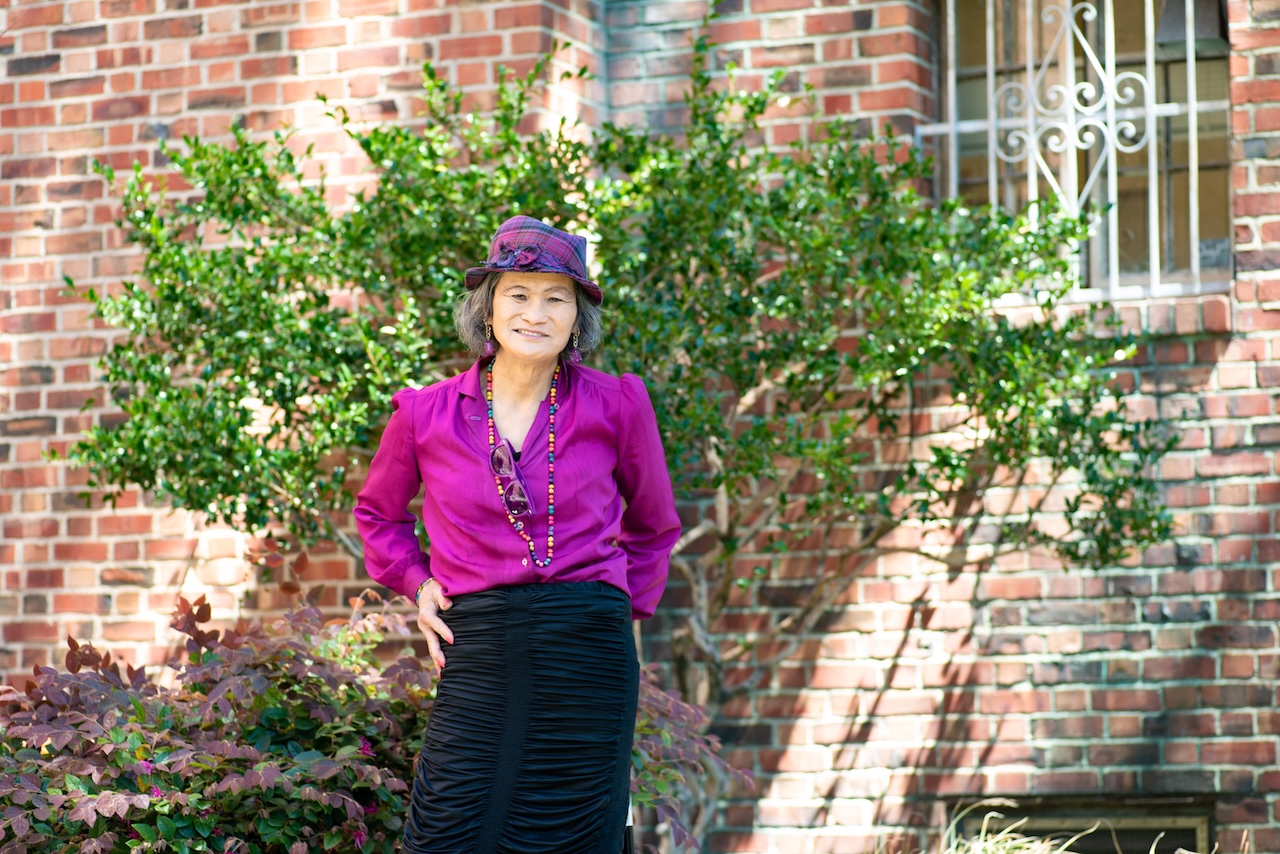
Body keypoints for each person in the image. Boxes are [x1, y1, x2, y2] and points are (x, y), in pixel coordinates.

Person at [353, 215, 681, 854]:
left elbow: (654, 525)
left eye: (556, 296)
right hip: (479, 644)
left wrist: (615, 609)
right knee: (449, 829)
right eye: (518, 294)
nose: (537, 313)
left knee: (578, 835)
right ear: (488, 308)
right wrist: (418, 584)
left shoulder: (618, 404)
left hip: (589, 652)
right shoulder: (426, 413)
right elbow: (379, 516)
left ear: (577, 315)